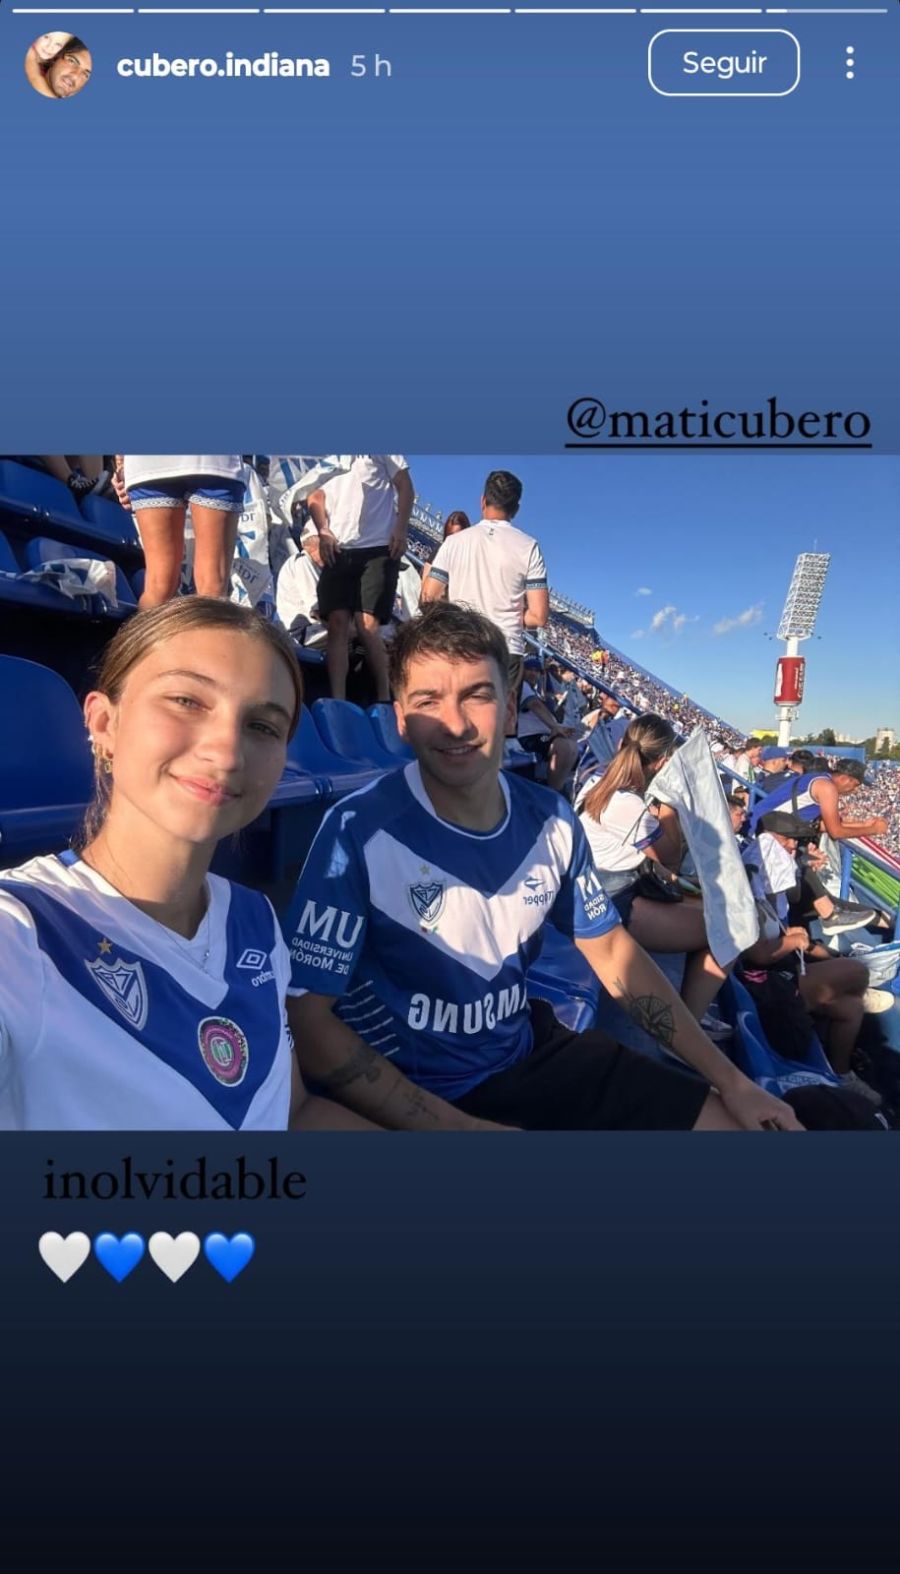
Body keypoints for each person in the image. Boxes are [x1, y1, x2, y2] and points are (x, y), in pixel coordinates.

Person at [284, 602, 802, 1131]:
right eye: (428, 700)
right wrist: (459, 1131)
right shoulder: (355, 830)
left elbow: (609, 949)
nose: (456, 723)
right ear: (400, 718)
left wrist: (733, 1082)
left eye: (477, 695)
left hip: (527, 1055)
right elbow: (307, 1019)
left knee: (746, 1130)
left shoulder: (551, 818)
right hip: (410, 1095)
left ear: (509, 710)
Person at [0, 598, 371, 1131]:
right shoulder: (21, 934)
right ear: (104, 722)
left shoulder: (255, 919)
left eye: (263, 727)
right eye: (186, 700)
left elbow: (294, 1113)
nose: (226, 752)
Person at [577, 714, 734, 1028]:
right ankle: (688, 1028)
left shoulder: (594, 778)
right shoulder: (628, 805)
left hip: (595, 890)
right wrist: (669, 805)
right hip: (611, 903)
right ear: (663, 762)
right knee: (729, 934)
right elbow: (671, 857)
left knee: (708, 904)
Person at [420, 469, 549, 699]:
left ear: (482, 501)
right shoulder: (529, 546)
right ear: (516, 509)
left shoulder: (454, 543)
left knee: (463, 720)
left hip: (462, 642)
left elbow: (428, 597)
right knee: (503, 728)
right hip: (506, 647)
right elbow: (538, 617)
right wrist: (504, 612)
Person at [306, 455, 414, 704]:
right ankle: (338, 700)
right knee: (336, 623)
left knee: (367, 625)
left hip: (378, 547)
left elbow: (405, 485)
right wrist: (323, 530)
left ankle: (385, 698)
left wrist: (400, 528)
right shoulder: (331, 458)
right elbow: (314, 497)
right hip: (340, 547)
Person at [748, 755, 886, 937]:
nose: (856, 789)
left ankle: (834, 919)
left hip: (765, 831)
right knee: (805, 884)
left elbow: (821, 824)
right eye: (857, 783)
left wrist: (864, 825)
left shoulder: (818, 780)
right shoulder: (827, 788)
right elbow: (835, 831)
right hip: (761, 835)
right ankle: (831, 917)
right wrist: (872, 830)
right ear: (845, 778)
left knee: (806, 885)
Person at [113, 455, 246, 609]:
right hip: (212, 460)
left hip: (148, 459)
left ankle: (146, 634)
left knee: (159, 586)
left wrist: (121, 465)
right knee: (212, 585)